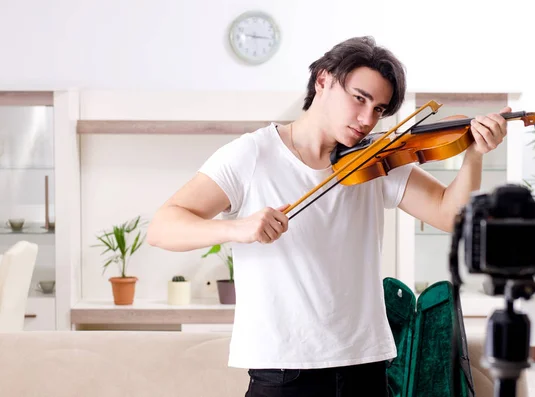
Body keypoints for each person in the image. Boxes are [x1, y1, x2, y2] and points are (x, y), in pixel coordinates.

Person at [147, 36, 509, 397]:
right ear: (322, 80)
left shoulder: (377, 159)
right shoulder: (252, 155)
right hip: (283, 370)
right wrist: (238, 228)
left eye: (380, 109)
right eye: (359, 98)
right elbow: (163, 227)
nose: (367, 119)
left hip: (365, 366)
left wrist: (473, 155)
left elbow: (451, 216)